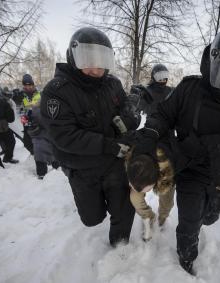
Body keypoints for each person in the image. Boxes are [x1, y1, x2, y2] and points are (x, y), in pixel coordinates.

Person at [131, 24, 220, 274]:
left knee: (210, 216)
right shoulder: (189, 89)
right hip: (189, 169)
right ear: (213, 62)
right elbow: (163, 114)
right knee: (189, 220)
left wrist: (212, 146)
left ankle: (207, 215)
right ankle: (186, 257)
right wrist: (150, 134)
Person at [40, 27, 141, 246]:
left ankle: (120, 245)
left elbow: (125, 111)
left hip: (115, 162)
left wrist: (131, 117)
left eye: (101, 61)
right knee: (92, 218)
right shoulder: (56, 92)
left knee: (124, 209)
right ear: (74, 57)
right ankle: (96, 213)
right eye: (89, 61)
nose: (96, 69)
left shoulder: (112, 83)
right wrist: (109, 145)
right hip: (83, 166)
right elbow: (65, 136)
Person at [127, 142, 175, 241]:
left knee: (167, 203)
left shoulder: (169, 167)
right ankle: (149, 217)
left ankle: (162, 218)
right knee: (134, 197)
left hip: (165, 175)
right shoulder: (132, 160)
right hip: (141, 172)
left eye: (146, 189)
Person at [27, 102, 58, 179]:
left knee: (42, 155)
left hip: (41, 136)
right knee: (49, 153)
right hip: (42, 135)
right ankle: (52, 171)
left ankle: (44, 173)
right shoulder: (39, 110)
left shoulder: (35, 109)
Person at [20, 74, 40, 155]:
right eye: (25, 85)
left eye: (30, 85)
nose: (28, 87)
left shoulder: (39, 94)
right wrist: (23, 116)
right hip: (27, 122)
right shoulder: (21, 95)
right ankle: (34, 154)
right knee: (27, 142)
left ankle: (44, 158)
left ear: (33, 84)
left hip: (38, 120)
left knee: (40, 141)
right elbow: (20, 108)